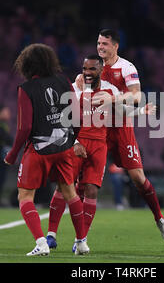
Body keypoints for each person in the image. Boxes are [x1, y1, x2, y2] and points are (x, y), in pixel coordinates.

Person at [46, 54, 155, 251]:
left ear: (100, 70)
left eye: (92, 69)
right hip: (77, 142)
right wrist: (76, 142)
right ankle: (51, 235)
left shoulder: (110, 90)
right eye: (84, 69)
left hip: (99, 145)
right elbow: (64, 117)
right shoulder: (76, 88)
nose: (87, 73)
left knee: (91, 190)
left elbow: (119, 111)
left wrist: (141, 112)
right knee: (63, 186)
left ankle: (81, 240)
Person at [77, 29, 164, 240]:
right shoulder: (93, 66)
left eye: (105, 44)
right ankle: (80, 235)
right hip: (95, 128)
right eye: (98, 43)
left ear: (115, 46)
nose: (100, 47)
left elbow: (137, 95)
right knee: (83, 182)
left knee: (138, 178)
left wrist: (114, 100)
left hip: (120, 127)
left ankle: (159, 218)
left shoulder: (126, 67)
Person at [4, 43, 89, 256]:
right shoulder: (64, 80)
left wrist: (13, 153)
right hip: (64, 147)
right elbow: (77, 116)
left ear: (26, 64)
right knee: (71, 193)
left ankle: (41, 243)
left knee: (25, 197)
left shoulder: (26, 88)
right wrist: (72, 140)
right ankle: (81, 243)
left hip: (39, 149)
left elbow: (24, 127)